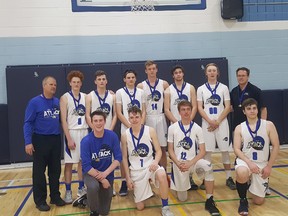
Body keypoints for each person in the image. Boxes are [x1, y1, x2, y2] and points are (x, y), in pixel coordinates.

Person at [167, 100, 220, 215]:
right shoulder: (172, 128)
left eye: (188, 109)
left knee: (208, 166)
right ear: (179, 112)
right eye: (183, 110)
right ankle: (183, 183)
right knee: (182, 198)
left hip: (193, 163)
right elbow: (170, 150)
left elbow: (202, 151)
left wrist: (190, 163)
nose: (186, 112)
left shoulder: (197, 128)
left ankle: (210, 199)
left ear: (191, 111)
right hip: (179, 164)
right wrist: (177, 163)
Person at [121, 106, 174, 216]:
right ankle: (147, 189)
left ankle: (165, 206)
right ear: (128, 119)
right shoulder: (125, 135)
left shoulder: (150, 130)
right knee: (140, 207)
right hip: (136, 170)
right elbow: (124, 158)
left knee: (162, 173)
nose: (134, 119)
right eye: (132, 117)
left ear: (141, 117)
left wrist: (155, 162)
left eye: (137, 117)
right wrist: (127, 177)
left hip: (150, 165)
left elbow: (159, 151)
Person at [24, 76, 65, 211]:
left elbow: (62, 120)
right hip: (40, 140)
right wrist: (28, 142)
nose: (53, 87)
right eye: (51, 84)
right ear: (44, 86)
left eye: (55, 84)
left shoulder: (57, 102)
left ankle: (55, 196)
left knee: (55, 171)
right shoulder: (34, 102)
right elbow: (28, 123)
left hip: (55, 139)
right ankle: (40, 200)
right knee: (39, 172)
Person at [233, 98, 279, 215]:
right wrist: (249, 163)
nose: (252, 111)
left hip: (262, 163)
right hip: (246, 162)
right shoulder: (240, 127)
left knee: (258, 201)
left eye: (254, 108)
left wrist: (269, 166)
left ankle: (250, 183)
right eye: (248, 109)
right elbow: (237, 149)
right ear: (244, 111)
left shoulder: (268, 125)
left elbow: (276, 145)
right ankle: (243, 200)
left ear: (257, 110)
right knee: (242, 172)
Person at [197, 63, 236, 190]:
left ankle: (229, 177)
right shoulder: (201, 89)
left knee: (225, 150)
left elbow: (227, 107)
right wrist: (210, 121)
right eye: (209, 70)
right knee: (207, 152)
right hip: (207, 123)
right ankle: (206, 178)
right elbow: (199, 107)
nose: (212, 72)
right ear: (206, 73)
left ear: (217, 73)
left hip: (222, 123)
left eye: (214, 70)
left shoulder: (224, 88)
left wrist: (217, 121)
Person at [76, 110, 122, 216]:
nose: (98, 123)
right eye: (95, 121)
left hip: (106, 173)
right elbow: (86, 166)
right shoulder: (86, 141)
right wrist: (102, 179)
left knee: (104, 211)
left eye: (101, 120)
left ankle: (85, 199)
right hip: (91, 173)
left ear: (105, 121)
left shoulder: (112, 136)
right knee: (93, 187)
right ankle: (93, 211)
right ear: (91, 123)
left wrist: (104, 175)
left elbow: (118, 158)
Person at [164, 65, 198, 190]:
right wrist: (176, 122)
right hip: (175, 125)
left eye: (180, 72)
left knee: (190, 149)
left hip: (189, 124)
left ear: (183, 74)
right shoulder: (168, 90)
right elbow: (166, 109)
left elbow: (194, 106)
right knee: (176, 151)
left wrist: (188, 120)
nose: (178, 74)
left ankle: (190, 178)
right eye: (176, 73)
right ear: (173, 76)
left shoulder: (191, 88)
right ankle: (177, 178)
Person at [115, 69, 146, 196]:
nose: (131, 79)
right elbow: (118, 112)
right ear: (124, 79)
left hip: (140, 128)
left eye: (133, 77)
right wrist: (130, 125)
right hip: (126, 128)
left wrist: (140, 124)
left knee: (140, 153)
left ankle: (143, 180)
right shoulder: (120, 92)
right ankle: (124, 181)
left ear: (135, 79)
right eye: (128, 77)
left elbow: (144, 110)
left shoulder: (141, 92)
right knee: (125, 156)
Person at [60, 70, 89, 204]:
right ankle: (68, 190)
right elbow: (64, 120)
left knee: (82, 163)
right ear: (70, 83)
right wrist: (69, 138)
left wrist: (111, 93)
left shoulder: (86, 96)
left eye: (78, 82)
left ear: (81, 83)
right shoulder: (65, 97)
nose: (76, 84)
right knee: (69, 163)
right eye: (74, 82)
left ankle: (81, 188)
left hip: (84, 131)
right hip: (71, 132)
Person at [137, 60, 169, 170]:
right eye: (149, 69)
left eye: (153, 68)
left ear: (157, 70)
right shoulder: (141, 86)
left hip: (160, 116)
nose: (152, 71)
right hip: (148, 118)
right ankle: (150, 172)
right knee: (149, 148)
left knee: (162, 148)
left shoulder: (164, 84)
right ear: (146, 71)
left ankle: (163, 172)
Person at [230, 67, 267, 131]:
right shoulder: (234, 91)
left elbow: (263, 108)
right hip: (238, 125)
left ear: (248, 76)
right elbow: (231, 108)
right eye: (239, 76)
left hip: (253, 124)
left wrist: (263, 125)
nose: (241, 77)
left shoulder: (255, 90)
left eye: (243, 76)